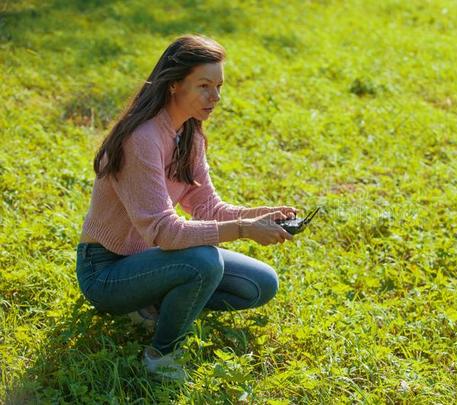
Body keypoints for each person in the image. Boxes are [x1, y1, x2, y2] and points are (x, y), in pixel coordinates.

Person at [75, 34, 296, 382]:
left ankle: (154, 305)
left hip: (152, 259)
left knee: (260, 284)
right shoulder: (142, 139)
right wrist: (242, 230)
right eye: (204, 85)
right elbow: (164, 231)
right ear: (174, 84)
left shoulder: (188, 133)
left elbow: (206, 205)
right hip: (106, 271)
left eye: (219, 85)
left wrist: (257, 216)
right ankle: (161, 354)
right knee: (202, 261)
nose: (216, 97)